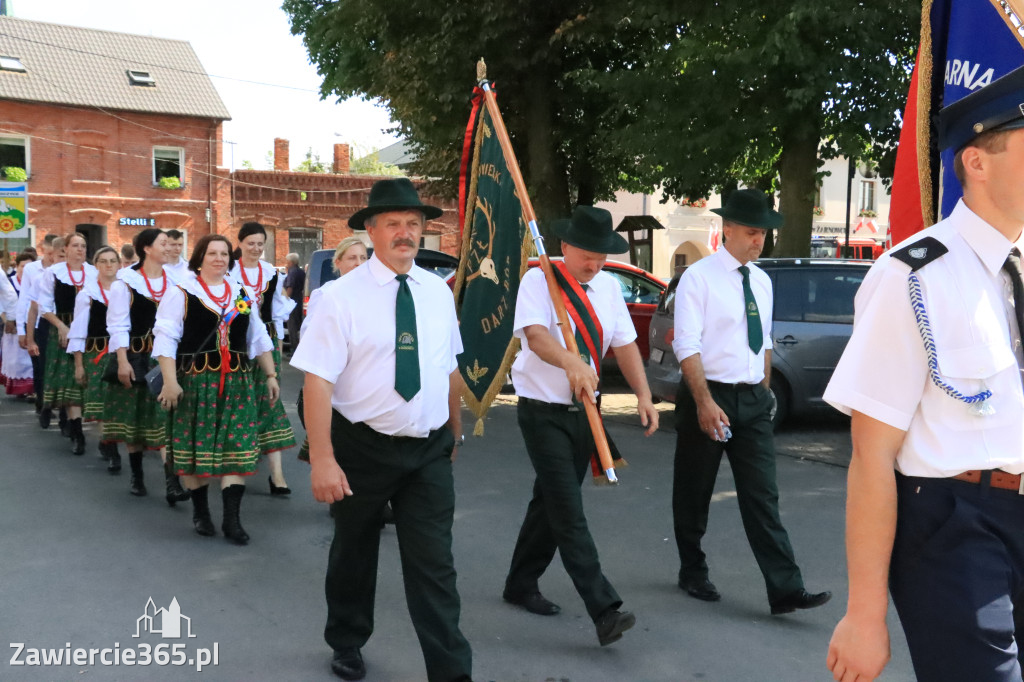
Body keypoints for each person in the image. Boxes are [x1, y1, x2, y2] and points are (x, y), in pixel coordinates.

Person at [825, 66, 1024, 682]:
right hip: (954, 524)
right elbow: (871, 455)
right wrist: (864, 615)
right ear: (978, 161)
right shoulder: (911, 277)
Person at [292, 177, 472, 682]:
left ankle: (452, 673)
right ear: (371, 230)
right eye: (393, 223)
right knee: (354, 549)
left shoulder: (437, 292)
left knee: (435, 565)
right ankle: (347, 638)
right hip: (361, 448)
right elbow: (317, 382)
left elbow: (448, 366)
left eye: (413, 224)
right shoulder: (338, 297)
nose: (405, 232)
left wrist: (453, 430)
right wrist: (323, 458)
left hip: (428, 449)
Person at [503, 205, 658, 647]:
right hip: (543, 410)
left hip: (586, 411)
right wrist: (569, 360)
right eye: (586, 253)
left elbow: (626, 345)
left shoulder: (608, 289)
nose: (594, 263)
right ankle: (604, 609)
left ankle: (519, 583)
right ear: (565, 246)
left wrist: (644, 395)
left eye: (601, 255)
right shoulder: (540, 281)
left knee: (550, 503)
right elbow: (534, 335)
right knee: (568, 510)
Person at [671, 189, 830, 614]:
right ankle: (692, 570)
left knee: (763, 497)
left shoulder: (760, 280)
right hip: (709, 393)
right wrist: (704, 402)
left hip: (751, 401)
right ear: (728, 229)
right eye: (753, 232)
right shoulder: (699, 278)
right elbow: (686, 345)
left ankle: (785, 590)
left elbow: (762, 343)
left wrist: (762, 390)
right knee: (694, 490)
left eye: (763, 233)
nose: (760, 240)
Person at [153, 234, 279, 545]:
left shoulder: (241, 293)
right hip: (196, 384)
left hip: (237, 384)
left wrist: (272, 374)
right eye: (213, 253)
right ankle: (201, 513)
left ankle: (232, 520)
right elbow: (166, 340)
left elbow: (257, 335)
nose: (219, 259)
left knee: (235, 447)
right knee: (196, 450)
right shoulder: (181, 293)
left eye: (224, 253)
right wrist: (170, 381)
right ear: (200, 257)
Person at [104, 228, 184, 500]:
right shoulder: (125, 282)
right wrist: (122, 361)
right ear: (147, 249)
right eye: (163, 243)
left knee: (166, 418)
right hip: (137, 357)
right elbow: (117, 324)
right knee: (136, 421)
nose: (170, 248)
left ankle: (172, 482)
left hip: (166, 358)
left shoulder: (175, 280)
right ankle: (137, 476)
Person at [229, 222, 296, 494]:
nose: (256, 248)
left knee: (270, 402)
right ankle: (233, 465)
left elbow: (277, 313)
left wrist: (278, 352)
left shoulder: (270, 274)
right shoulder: (229, 271)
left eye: (260, 244)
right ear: (241, 243)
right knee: (238, 400)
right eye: (251, 243)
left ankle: (277, 475)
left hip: (266, 339)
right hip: (236, 341)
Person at [295, 236, 367, 463]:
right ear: (338, 263)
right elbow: (311, 339)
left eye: (364, 258)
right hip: (339, 382)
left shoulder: (379, 293)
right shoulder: (327, 294)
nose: (359, 263)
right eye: (352, 258)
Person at [35, 233, 97, 455]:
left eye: (83, 246)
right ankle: (77, 433)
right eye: (76, 246)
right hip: (63, 327)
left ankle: (82, 427)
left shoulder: (93, 273)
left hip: (90, 330)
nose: (80, 250)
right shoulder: (54, 273)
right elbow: (44, 306)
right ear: (66, 249)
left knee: (89, 379)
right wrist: (62, 327)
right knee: (71, 380)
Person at [67, 246, 120, 461]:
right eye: (103, 261)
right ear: (96, 265)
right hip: (96, 353)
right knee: (101, 402)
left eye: (112, 261)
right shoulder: (87, 294)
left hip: (120, 353)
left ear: (119, 265)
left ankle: (107, 441)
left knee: (117, 402)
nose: (108, 265)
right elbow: (78, 331)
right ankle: (110, 447)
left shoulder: (127, 291)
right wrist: (79, 365)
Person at [20, 234, 61, 421]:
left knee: (58, 367)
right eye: (52, 253)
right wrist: (25, 334)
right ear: (46, 250)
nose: (54, 257)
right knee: (41, 366)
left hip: (62, 324)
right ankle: (42, 402)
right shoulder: (32, 270)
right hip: (39, 324)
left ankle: (58, 406)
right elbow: (27, 303)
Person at [1, 252, 34, 397]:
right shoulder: (10, 282)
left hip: (31, 325)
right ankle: (21, 389)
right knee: (17, 360)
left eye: (29, 267)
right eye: (22, 266)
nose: (25, 270)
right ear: (17, 266)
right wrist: (6, 320)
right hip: (13, 326)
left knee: (31, 359)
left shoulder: (36, 283)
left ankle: (32, 390)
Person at [282, 252, 305, 353]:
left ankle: (294, 349)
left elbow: (289, 287)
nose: (286, 263)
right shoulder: (301, 272)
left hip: (292, 302)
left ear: (291, 262)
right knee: (298, 326)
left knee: (292, 327)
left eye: (287, 261)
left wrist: (285, 301)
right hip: (299, 300)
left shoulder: (292, 272)